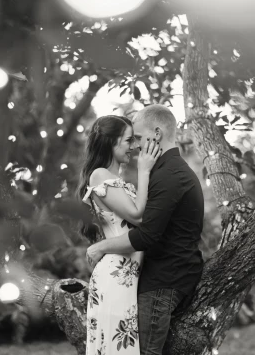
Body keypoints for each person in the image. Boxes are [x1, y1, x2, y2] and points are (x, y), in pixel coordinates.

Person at [87, 105, 205, 355]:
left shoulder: (169, 174)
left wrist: (100, 246)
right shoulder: (162, 172)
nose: (136, 146)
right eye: (130, 140)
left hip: (163, 278)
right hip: (139, 276)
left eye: (137, 138)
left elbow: (147, 234)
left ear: (158, 134)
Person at [77, 115, 161, 355]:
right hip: (115, 277)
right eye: (128, 140)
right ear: (111, 142)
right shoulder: (99, 175)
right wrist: (144, 171)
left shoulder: (115, 180)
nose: (134, 146)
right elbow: (139, 217)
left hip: (128, 276)